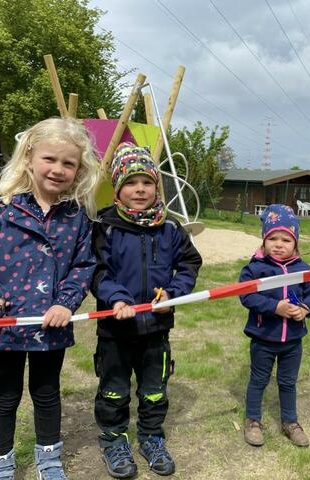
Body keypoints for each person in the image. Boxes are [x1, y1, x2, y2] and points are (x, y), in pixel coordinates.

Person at [0, 117, 101, 480]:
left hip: (50, 328)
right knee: (4, 396)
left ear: (79, 170)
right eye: (50, 159)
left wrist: (66, 303)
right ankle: (0, 465)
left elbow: (83, 266)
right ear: (30, 157)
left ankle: (49, 459)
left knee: (47, 393)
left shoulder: (78, 217)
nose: (58, 169)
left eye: (69, 163)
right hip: (2, 327)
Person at [92, 142, 202, 478]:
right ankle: (113, 440)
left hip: (157, 329)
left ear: (157, 187)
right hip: (115, 329)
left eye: (147, 182)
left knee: (155, 390)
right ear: (117, 189)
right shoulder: (104, 227)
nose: (140, 189)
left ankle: (152, 437)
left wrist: (173, 293)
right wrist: (116, 298)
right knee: (114, 389)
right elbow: (96, 270)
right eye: (130, 182)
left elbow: (189, 263)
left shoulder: (170, 228)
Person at [238, 204, 310, 448]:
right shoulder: (254, 268)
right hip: (264, 338)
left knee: (287, 382)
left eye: (286, 239)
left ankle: (290, 422)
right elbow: (247, 297)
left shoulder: (303, 269)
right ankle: (253, 421)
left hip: (293, 341)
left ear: (296, 242)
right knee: (259, 380)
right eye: (272, 237)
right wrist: (275, 308)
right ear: (263, 240)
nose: (278, 243)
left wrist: (305, 309)